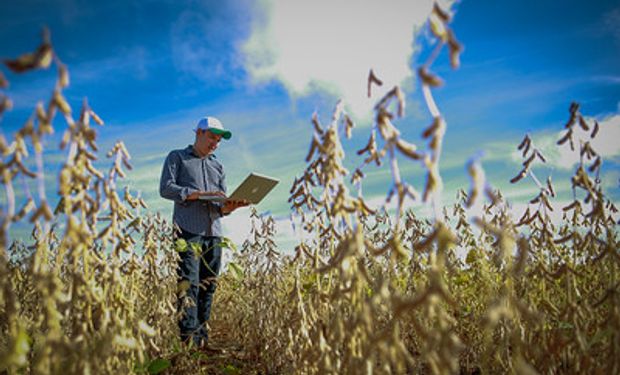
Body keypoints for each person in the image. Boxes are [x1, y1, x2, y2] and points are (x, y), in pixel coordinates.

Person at [159, 116, 248, 347]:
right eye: (212, 137)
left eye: (218, 141)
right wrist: (196, 193)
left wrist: (231, 206)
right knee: (188, 284)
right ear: (198, 132)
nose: (215, 144)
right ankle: (188, 342)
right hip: (188, 230)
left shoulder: (218, 166)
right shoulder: (177, 157)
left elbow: (221, 206)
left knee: (208, 285)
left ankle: (202, 340)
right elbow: (166, 188)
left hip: (215, 232)